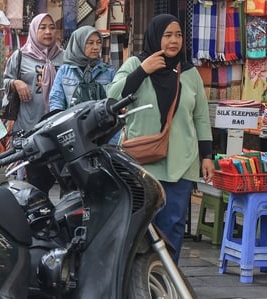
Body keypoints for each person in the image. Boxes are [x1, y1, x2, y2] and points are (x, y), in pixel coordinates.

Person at [107, 14, 214, 263]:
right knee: (141, 226)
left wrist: (207, 155)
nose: (174, 40)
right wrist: (143, 71)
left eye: (178, 35)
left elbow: (200, 117)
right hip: (143, 162)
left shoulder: (189, 73)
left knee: (174, 225)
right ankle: (137, 279)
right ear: (156, 36)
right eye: (167, 35)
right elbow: (111, 96)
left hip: (182, 160)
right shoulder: (136, 63)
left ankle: (167, 280)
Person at [2, 13, 64, 194]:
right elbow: (5, 82)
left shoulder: (63, 57)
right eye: (42, 27)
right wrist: (16, 83)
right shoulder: (21, 56)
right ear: (34, 30)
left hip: (58, 127)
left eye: (52, 27)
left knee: (61, 178)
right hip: (30, 127)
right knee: (36, 179)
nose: (48, 32)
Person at [49, 26, 115, 111]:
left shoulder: (108, 71)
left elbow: (115, 98)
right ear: (79, 44)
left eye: (98, 42)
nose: (96, 47)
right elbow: (56, 99)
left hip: (101, 122)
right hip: (73, 122)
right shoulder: (65, 70)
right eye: (90, 43)